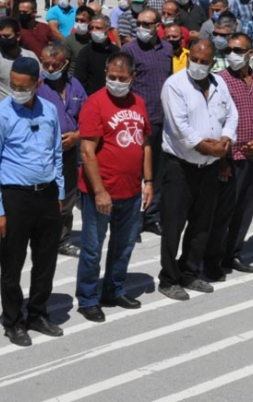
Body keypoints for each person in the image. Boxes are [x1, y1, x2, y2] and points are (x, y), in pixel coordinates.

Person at [0, 57, 65, 347]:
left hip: (47, 194)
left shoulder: (50, 110)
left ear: (38, 84)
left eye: (24, 86)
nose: (18, 91)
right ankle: (13, 320)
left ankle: (38, 313)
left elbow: (56, 154)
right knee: (12, 263)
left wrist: (60, 194)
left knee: (45, 260)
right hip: (15, 197)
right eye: (13, 85)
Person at [74, 52, 152, 322]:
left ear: (133, 77)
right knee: (93, 248)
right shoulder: (95, 104)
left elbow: (145, 144)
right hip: (100, 192)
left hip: (130, 191)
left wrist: (148, 181)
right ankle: (87, 298)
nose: (116, 82)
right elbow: (86, 151)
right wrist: (100, 191)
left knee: (124, 245)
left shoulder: (139, 103)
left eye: (122, 78)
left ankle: (114, 290)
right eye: (112, 77)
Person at [157, 40, 238, 301]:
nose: (199, 65)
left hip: (209, 168)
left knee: (202, 224)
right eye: (195, 59)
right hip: (180, 167)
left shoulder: (219, 83)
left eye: (205, 61)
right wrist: (207, 147)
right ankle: (169, 278)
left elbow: (231, 115)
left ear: (213, 62)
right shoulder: (175, 85)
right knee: (173, 225)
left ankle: (189, 271)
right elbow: (179, 127)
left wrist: (225, 140)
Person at [204, 34, 253, 277]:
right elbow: (215, 120)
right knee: (223, 213)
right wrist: (221, 161)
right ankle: (213, 260)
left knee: (244, 209)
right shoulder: (220, 80)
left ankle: (234, 253)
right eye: (230, 49)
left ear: (250, 53)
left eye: (238, 50)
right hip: (230, 158)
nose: (232, 53)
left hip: (252, 157)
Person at [120, 7, 171, 235]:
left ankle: (152, 216)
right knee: (135, 171)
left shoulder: (167, 48)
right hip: (137, 121)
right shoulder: (128, 50)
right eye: (139, 23)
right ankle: (133, 220)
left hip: (161, 119)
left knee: (157, 171)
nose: (141, 28)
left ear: (158, 26)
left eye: (147, 24)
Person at [0, 18, 39, 109]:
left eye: (7, 36)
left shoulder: (30, 56)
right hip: (1, 110)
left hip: (28, 109)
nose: (3, 39)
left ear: (18, 36)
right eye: (0, 36)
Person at [73, 15, 118, 95]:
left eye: (98, 28)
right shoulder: (85, 52)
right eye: (92, 28)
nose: (94, 31)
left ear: (108, 31)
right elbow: (79, 80)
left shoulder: (116, 51)